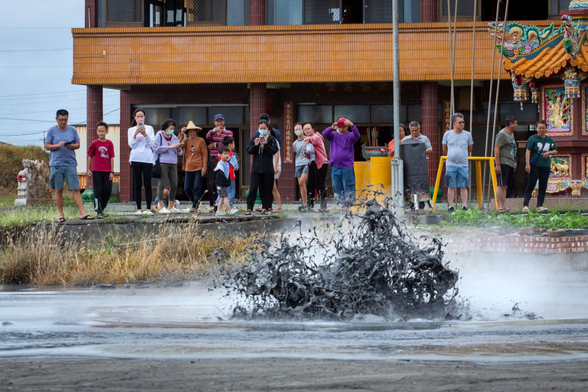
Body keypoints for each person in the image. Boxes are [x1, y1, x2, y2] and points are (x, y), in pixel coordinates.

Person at [45, 109, 93, 222]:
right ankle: (61, 215)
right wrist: (57, 145)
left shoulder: (72, 130)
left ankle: (82, 213)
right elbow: (47, 146)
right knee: (58, 190)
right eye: (61, 120)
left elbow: (78, 144)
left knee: (76, 189)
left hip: (70, 163)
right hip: (56, 164)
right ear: (56, 119)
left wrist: (71, 146)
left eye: (65, 120)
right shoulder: (51, 131)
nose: (63, 122)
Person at [323, 117, 361, 208]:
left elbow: (357, 136)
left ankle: (348, 206)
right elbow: (324, 134)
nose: (341, 128)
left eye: (343, 126)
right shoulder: (333, 135)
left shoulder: (350, 135)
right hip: (335, 166)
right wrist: (331, 127)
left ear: (347, 126)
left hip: (347, 166)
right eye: (339, 126)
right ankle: (342, 205)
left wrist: (352, 124)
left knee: (348, 185)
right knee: (336, 186)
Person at [522, 120, 557, 213]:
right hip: (534, 166)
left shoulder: (549, 139)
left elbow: (555, 150)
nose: (541, 130)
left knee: (543, 186)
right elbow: (528, 151)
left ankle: (540, 205)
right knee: (530, 185)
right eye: (539, 128)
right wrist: (527, 164)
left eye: (543, 128)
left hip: (545, 166)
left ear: (546, 129)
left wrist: (549, 152)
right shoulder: (532, 139)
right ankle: (525, 205)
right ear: (536, 128)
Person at [246, 120, 279, 215]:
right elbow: (249, 150)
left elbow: (274, 150)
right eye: (261, 128)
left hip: (268, 169)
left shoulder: (271, 139)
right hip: (256, 168)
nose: (262, 130)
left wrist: (266, 144)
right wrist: (256, 145)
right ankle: (249, 208)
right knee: (253, 188)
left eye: (264, 128)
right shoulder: (255, 138)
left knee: (266, 189)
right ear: (258, 129)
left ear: (268, 129)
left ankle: (265, 207)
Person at [442, 113, 474, 213]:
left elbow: (470, 148)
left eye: (463, 122)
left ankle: (464, 205)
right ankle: (450, 206)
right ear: (454, 123)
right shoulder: (447, 134)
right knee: (451, 186)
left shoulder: (467, 134)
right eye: (459, 122)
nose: (462, 124)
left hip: (463, 164)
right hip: (450, 164)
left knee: (464, 185)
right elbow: (444, 148)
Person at [153, 118, 183, 214]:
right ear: (165, 128)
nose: (172, 130)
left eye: (173, 128)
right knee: (162, 184)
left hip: (173, 162)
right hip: (163, 162)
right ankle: (161, 206)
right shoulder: (159, 135)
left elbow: (180, 153)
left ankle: (170, 206)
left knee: (174, 184)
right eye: (170, 128)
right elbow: (156, 148)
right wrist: (169, 147)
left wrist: (178, 149)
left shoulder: (174, 137)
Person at [128, 108, 155, 216]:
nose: (140, 118)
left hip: (147, 158)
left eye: (141, 116)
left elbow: (151, 144)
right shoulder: (130, 130)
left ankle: (148, 208)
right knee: (137, 184)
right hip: (135, 158)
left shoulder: (149, 128)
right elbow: (131, 145)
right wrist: (135, 133)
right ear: (134, 118)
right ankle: (138, 208)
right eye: (137, 116)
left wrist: (145, 134)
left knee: (147, 184)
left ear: (144, 117)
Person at [87, 121, 114, 219]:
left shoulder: (109, 143)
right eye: (99, 131)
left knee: (107, 190)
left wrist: (112, 171)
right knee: (98, 190)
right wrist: (88, 169)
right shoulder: (94, 143)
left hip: (107, 171)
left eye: (103, 131)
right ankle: (98, 211)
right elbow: (90, 156)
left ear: (107, 132)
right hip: (96, 170)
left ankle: (102, 208)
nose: (101, 133)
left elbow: (111, 157)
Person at [206, 114, 233, 211]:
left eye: (221, 121)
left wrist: (215, 144)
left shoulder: (228, 132)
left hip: (224, 160)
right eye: (217, 121)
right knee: (212, 182)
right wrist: (214, 131)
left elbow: (228, 143)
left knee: (223, 182)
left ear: (224, 122)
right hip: (213, 159)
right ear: (214, 122)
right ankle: (214, 203)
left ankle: (223, 204)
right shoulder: (211, 132)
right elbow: (207, 137)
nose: (219, 123)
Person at [179, 121, 208, 212]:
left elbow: (205, 154)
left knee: (197, 187)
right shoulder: (186, 141)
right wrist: (181, 133)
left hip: (199, 166)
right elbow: (178, 145)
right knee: (187, 188)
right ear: (188, 133)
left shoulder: (201, 141)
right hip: (188, 167)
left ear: (196, 131)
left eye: (194, 131)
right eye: (190, 131)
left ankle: (194, 205)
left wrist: (204, 167)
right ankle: (195, 201)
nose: (192, 133)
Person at [494, 116, 518, 213]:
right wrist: (498, 164)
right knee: (500, 184)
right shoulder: (502, 134)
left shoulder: (511, 134)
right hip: (503, 161)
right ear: (511, 124)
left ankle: (504, 205)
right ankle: (499, 206)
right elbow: (496, 149)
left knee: (505, 185)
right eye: (515, 123)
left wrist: (514, 163)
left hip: (510, 162)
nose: (517, 125)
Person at [304, 122, 328, 212]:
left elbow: (313, 140)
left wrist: (308, 139)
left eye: (308, 128)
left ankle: (323, 207)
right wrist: (306, 154)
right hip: (312, 163)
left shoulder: (317, 137)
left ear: (313, 129)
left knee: (319, 184)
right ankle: (310, 206)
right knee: (310, 185)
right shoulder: (307, 141)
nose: (306, 131)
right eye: (304, 129)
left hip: (321, 163)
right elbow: (311, 153)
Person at [215, 136, 239, 212]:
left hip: (221, 178)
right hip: (230, 176)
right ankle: (229, 207)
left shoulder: (220, 154)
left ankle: (217, 205)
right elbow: (236, 167)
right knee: (231, 192)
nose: (234, 146)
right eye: (233, 144)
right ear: (230, 145)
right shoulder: (232, 155)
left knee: (221, 193)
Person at [292, 122, 310, 211]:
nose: (297, 131)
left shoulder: (307, 140)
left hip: (307, 163)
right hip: (298, 164)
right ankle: (304, 203)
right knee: (301, 185)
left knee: (301, 182)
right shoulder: (294, 143)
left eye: (299, 129)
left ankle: (307, 202)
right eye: (296, 130)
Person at [215, 146, 235, 216]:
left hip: (223, 184)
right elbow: (220, 175)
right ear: (220, 155)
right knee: (225, 197)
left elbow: (227, 174)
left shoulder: (226, 163)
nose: (227, 155)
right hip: (221, 184)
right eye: (225, 154)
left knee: (222, 198)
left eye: (228, 153)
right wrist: (224, 183)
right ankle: (229, 210)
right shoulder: (220, 164)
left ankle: (218, 211)